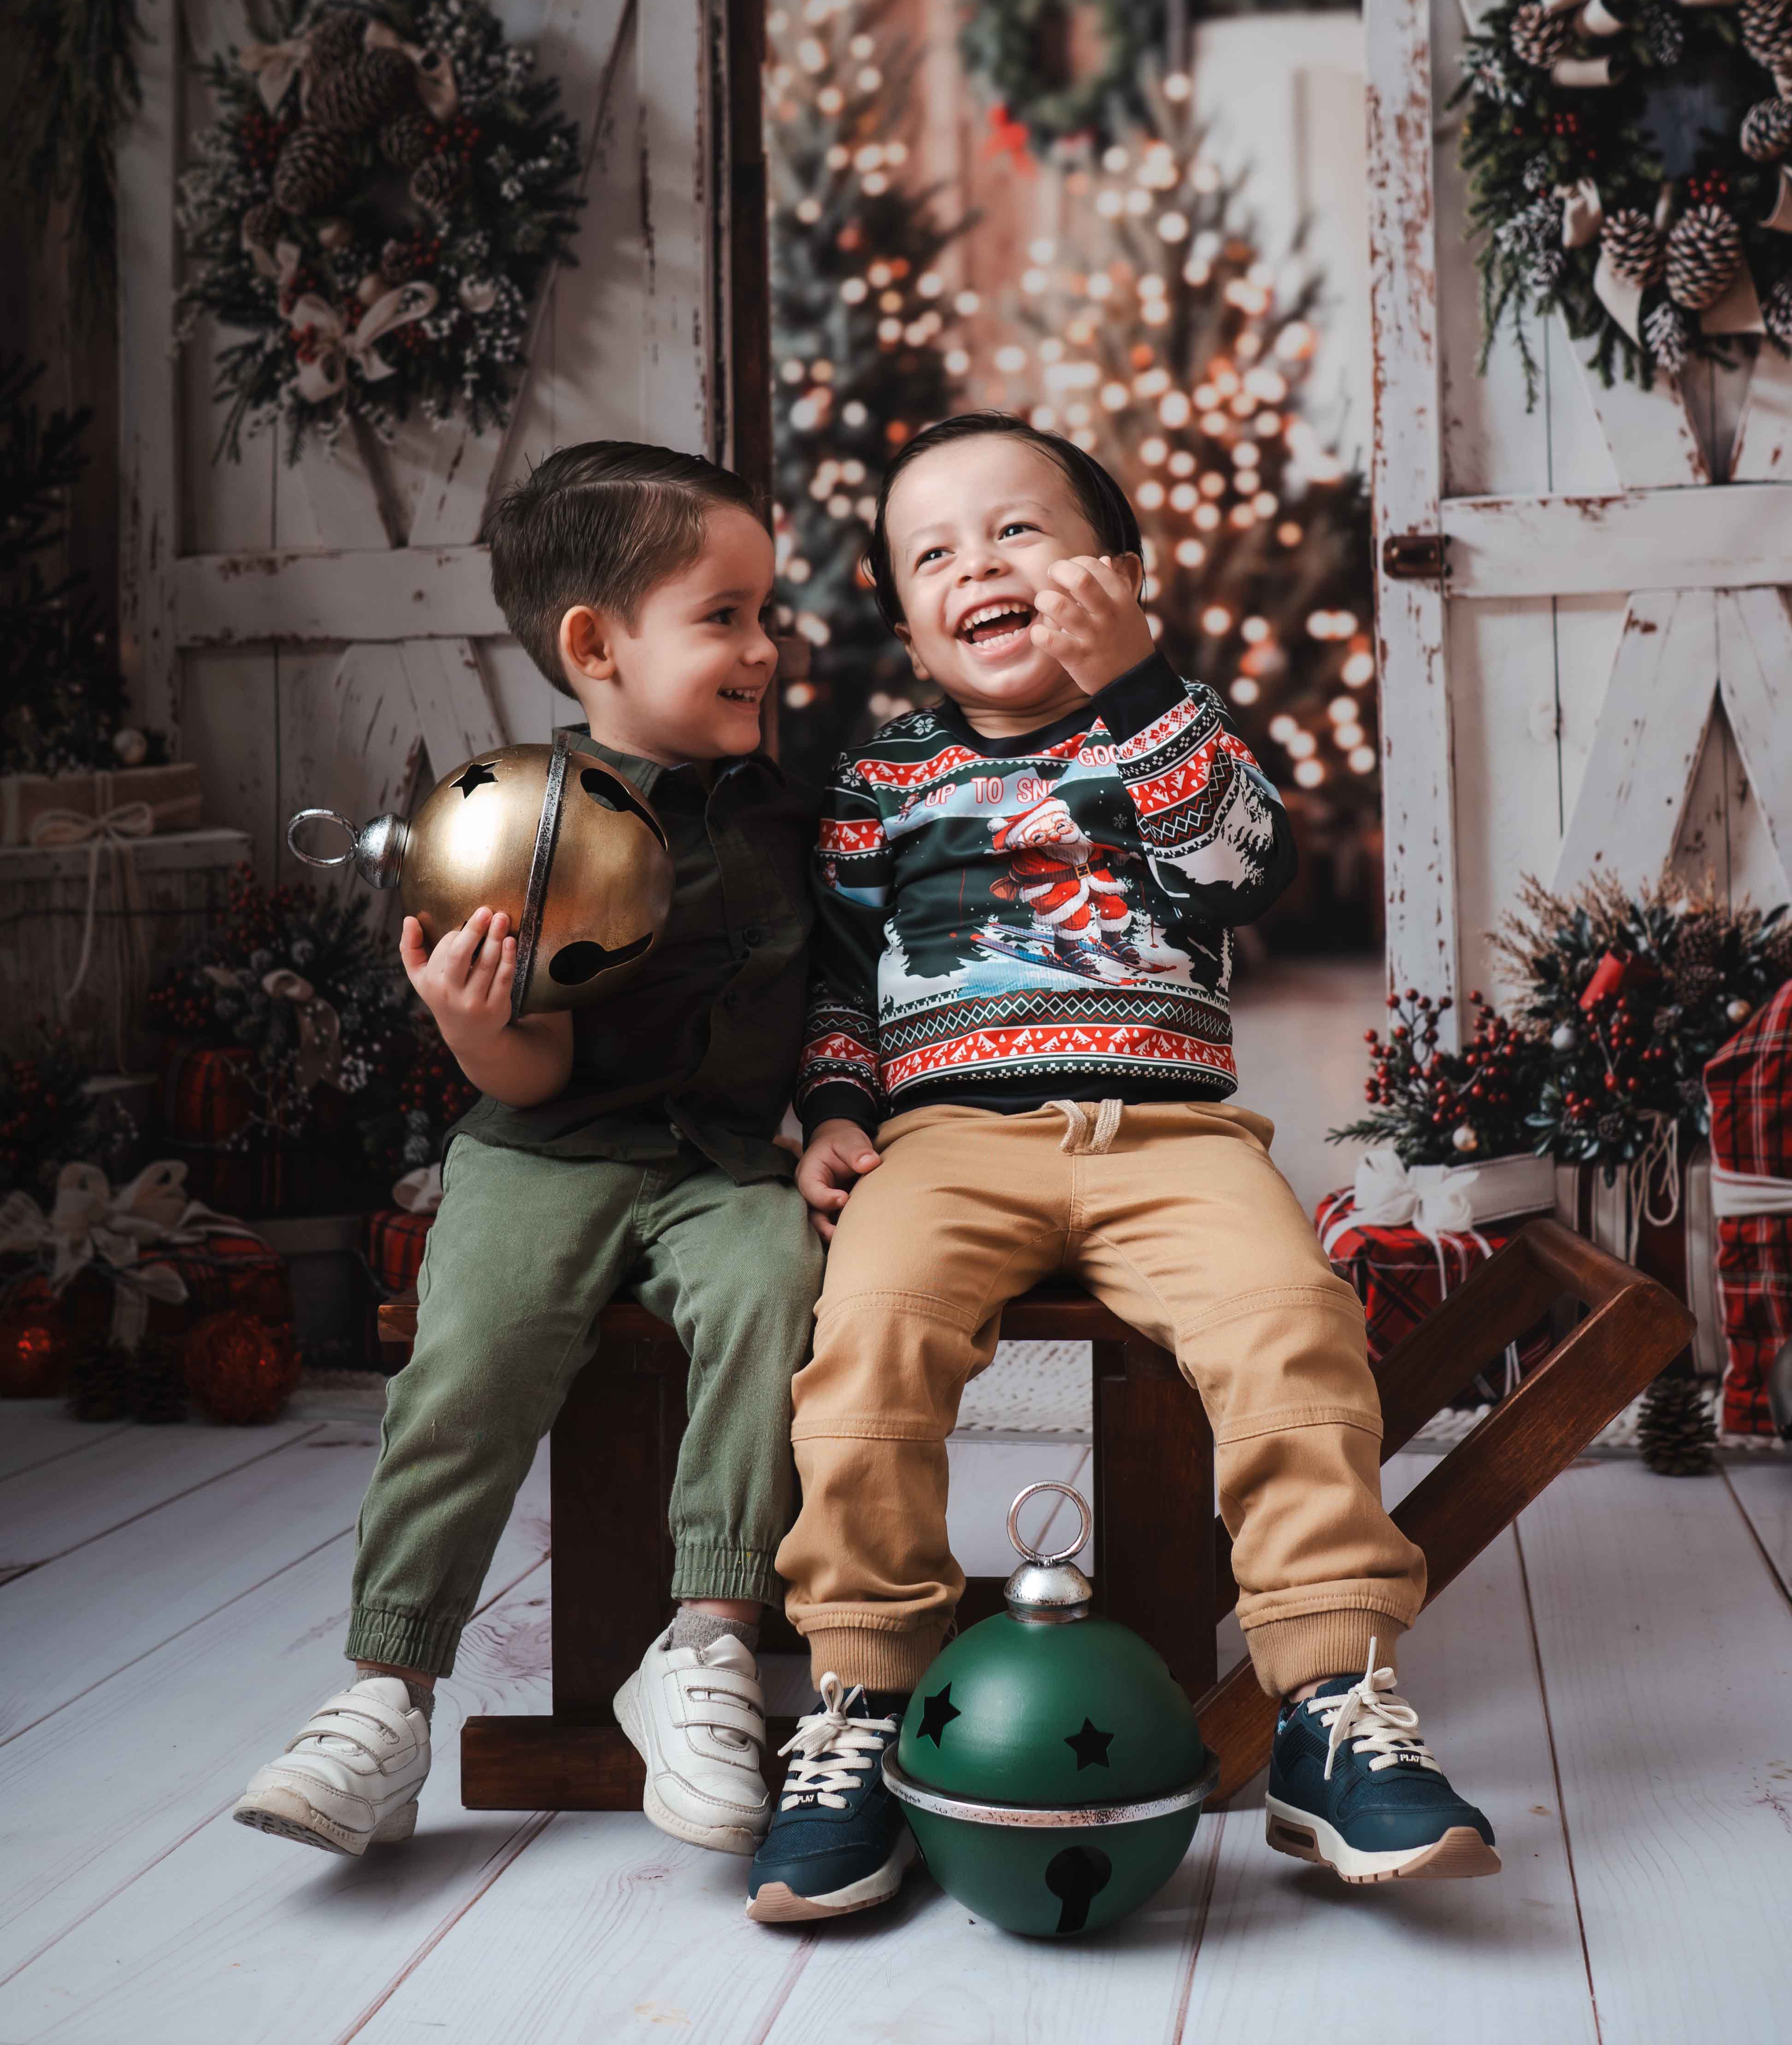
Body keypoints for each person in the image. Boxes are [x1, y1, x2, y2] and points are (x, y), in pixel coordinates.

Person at [746, 411, 1497, 1924]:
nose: (979, 567)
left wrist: (1142, 683)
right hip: (947, 1140)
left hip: (1168, 1135)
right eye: (934, 553)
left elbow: (1244, 869)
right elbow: (838, 978)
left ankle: (1329, 1702)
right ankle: (860, 1705)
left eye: (1018, 532)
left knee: (1293, 1326)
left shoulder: (1170, 732)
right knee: (869, 1341)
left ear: (1119, 574)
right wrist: (835, 1108)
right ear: (905, 620)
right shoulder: (883, 775)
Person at [234, 442, 820, 1862]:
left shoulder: (790, 821)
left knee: (774, 1296)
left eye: (769, 612)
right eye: (726, 616)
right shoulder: (509, 824)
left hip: (723, 1165)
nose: (766, 647)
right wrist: (475, 1027)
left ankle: (709, 1645)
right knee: (472, 1359)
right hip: (542, 1147)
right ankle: (388, 1691)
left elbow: (841, 1000)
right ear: (593, 646)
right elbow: (541, 1066)